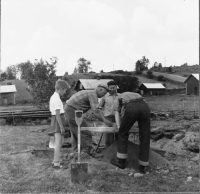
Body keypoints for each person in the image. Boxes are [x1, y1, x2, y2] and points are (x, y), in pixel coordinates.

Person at [64, 84, 113, 157]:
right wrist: (105, 121)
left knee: (75, 131)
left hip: (70, 109)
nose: (104, 95)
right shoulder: (93, 95)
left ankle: (76, 152)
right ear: (100, 90)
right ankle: (91, 152)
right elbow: (96, 111)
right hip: (72, 111)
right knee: (85, 131)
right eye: (104, 93)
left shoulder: (89, 92)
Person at [110, 92, 150, 174]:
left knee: (123, 133)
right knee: (145, 135)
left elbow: (117, 113)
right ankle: (143, 166)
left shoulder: (118, 99)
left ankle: (121, 162)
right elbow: (141, 109)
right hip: (145, 107)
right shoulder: (136, 95)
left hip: (132, 107)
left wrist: (119, 127)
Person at [49, 79, 71, 169]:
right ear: (61, 89)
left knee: (60, 141)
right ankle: (56, 163)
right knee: (58, 142)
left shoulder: (54, 97)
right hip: (58, 121)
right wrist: (61, 126)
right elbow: (57, 114)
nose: (65, 92)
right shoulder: (56, 99)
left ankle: (55, 160)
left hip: (57, 120)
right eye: (65, 90)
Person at [98, 81, 120, 147]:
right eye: (111, 88)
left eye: (114, 87)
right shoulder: (104, 97)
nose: (112, 89)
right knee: (109, 137)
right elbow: (99, 108)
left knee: (119, 134)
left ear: (116, 87)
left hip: (118, 118)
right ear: (108, 88)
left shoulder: (120, 96)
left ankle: (118, 150)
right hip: (108, 118)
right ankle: (108, 151)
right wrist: (103, 118)